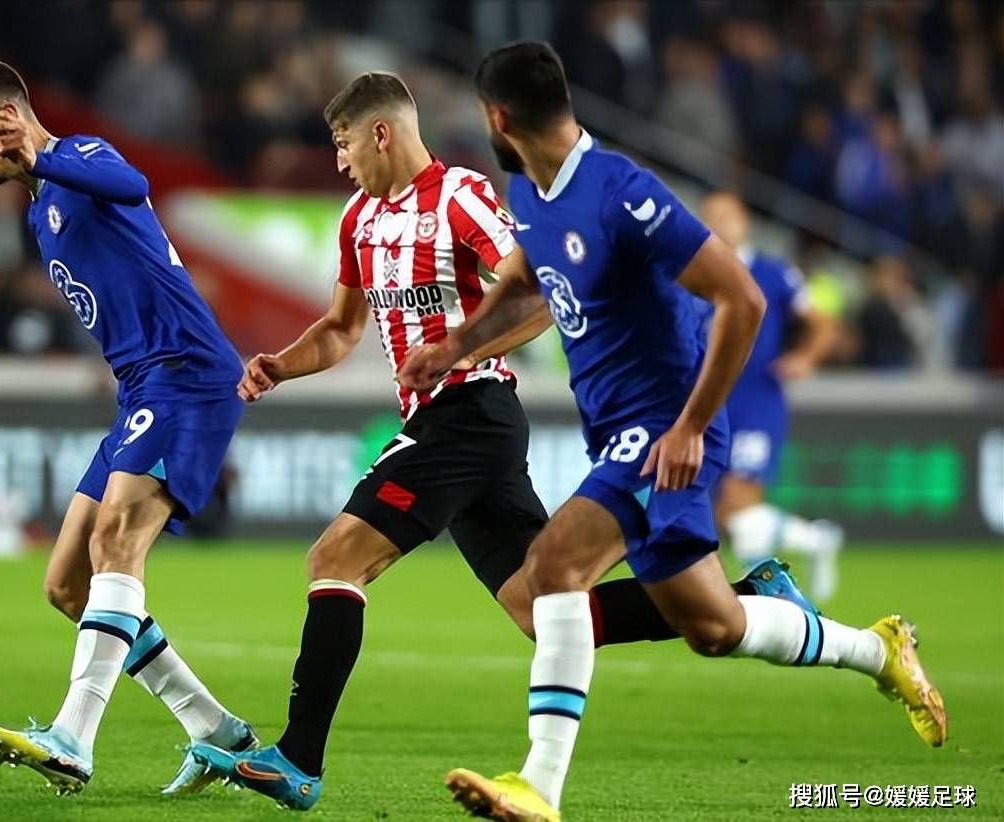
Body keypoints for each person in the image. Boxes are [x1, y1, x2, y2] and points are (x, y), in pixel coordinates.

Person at [183, 72, 816, 812]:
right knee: (540, 606)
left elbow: (547, 295)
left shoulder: (461, 197)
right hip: (452, 422)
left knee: (335, 557)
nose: (340, 160)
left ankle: (297, 758)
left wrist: (458, 351)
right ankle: (752, 598)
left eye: (344, 141)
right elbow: (342, 330)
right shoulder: (358, 219)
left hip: (470, 409)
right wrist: (277, 367)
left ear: (380, 132)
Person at [399, 42, 947, 822]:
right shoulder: (528, 190)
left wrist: (691, 424)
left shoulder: (622, 192)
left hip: (665, 427)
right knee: (711, 626)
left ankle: (538, 787)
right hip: (622, 431)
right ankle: (876, 649)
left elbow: (744, 302)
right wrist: (456, 345)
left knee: (552, 569)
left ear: (496, 117)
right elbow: (527, 271)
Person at [0, 58, 254, 795]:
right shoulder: (37, 210)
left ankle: (73, 737)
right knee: (66, 584)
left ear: (3, 119)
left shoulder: (78, 156)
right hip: (141, 387)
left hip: (188, 374)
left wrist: (43, 154)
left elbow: (134, 185)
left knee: (117, 541)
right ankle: (217, 732)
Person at [698, 191, 844, 600]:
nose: (720, 224)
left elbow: (823, 323)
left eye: (728, 215)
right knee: (720, 516)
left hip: (757, 401)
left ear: (745, 222)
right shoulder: (696, 274)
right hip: (710, 405)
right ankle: (812, 544)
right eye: (711, 217)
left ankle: (760, 594)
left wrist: (804, 358)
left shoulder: (773, 272)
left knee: (736, 503)